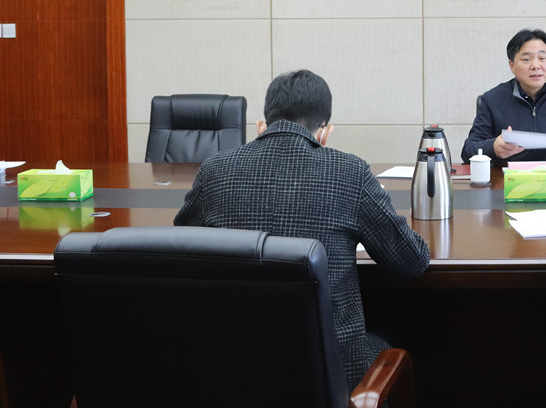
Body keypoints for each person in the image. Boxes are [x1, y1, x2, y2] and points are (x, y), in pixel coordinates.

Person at [174, 70, 430, 389]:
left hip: (232, 366)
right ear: (324, 131)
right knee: (398, 330)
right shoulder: (350, 172)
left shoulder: (215, 170)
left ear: (264, 123)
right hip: (329, 376)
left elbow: (180, 251)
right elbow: (411, 261)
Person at [462, 28, 546, 163]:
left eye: (542, 58)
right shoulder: (492, 99)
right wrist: (493, 148)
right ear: (512, 65)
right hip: (509, 177)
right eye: (526, 59)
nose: (536, 65)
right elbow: (468, 150)